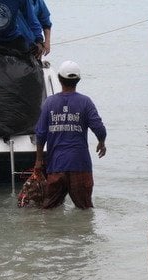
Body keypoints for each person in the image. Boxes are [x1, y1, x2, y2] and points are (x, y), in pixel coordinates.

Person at [34, 60, 107, 209]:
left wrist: (39, 161)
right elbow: (99, 128)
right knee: (85, 210)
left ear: (60, 80)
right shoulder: (85, 102)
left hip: (56, 166)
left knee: (49, 209)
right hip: (80, 165)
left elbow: (40, 134)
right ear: (78, 80)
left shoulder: (49, 103)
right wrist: (101, 142)